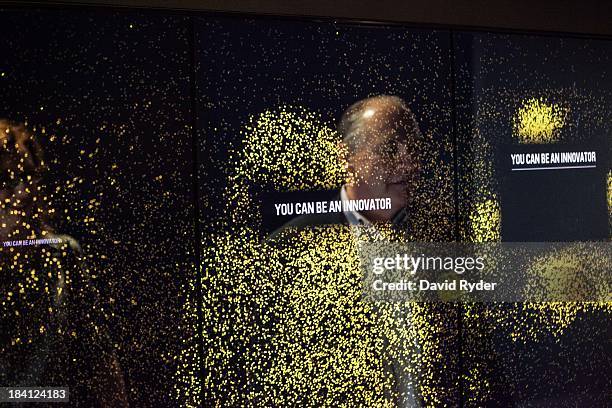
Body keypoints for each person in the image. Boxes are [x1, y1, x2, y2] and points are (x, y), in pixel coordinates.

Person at [0, 119, 128, 407]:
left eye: (25, 177)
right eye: (4, 180)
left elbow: (103, 369)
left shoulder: (61, 256)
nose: (19, 194)